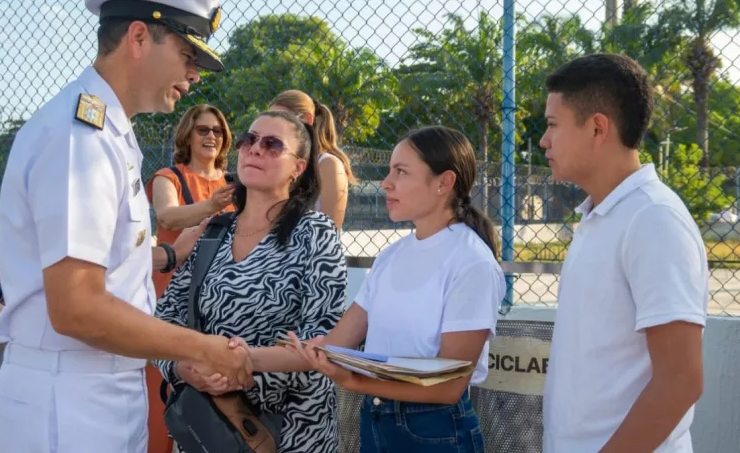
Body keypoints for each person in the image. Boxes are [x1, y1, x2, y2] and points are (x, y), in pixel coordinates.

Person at [0, 0, 252, 453]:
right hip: (69, 400)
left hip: (98, 390)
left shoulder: (110, 131)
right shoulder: (80, 137)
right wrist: (200, 347)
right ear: (139, 37)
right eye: (187, 54)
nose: (194, 75)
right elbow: (77, 307)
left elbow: (110, 269)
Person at [235, 125, 505, 452]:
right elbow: (332, 345)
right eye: (390, 170)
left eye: (401, 172)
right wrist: (238, 357)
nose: (386, 183)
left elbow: (448, 386)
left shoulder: (471, 261)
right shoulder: (391, 256)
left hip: (435, 431)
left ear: (444, 182)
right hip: (377, 420)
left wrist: (354, 381)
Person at [539, 53, 708, 453]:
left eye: (553, 124)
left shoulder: (653, 219)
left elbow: (680, 380)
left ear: (598, 127)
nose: (544, 140)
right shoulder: (601, 215)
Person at [153, 110, 347, 453]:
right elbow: (166, 318)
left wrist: (240, 364)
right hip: (210, 430)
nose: (255, 149)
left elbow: (323, 337)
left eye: (272, 144)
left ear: (298, 167)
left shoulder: (315, 232)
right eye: (250, 140)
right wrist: (183, 369)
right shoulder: (213, 231)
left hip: (292, 431)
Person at [144, 103, 235, 453]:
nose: (212, 136)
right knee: (164, 394)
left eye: (218, 130)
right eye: (203, 130)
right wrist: (212, 206)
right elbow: (168, 216)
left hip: (218, 305)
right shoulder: (169, 177)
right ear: (187, 135)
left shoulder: (233, 184)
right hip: (172, 303)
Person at [269, 90, 356, 229]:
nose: (272, 128)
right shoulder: (279, 162)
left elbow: (330, 230)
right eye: (270, 120)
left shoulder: (328, 164)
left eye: (282, 119)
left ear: (307, 119)